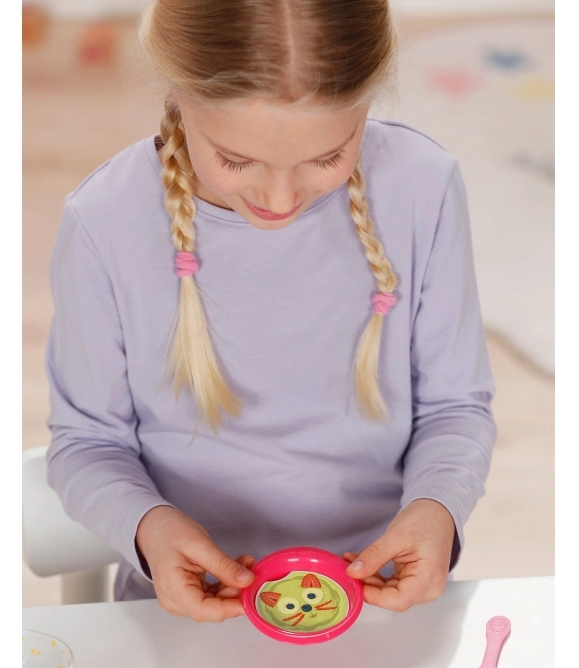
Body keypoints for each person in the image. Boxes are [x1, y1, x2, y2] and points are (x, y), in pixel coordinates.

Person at [45, 0, 496, 621]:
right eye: (236, 160)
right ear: (177, 93)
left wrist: (438, 507)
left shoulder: (424, 186)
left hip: (385, 603)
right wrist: (148, 526)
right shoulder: (104, 223)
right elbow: (87, 443)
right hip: (188, 612)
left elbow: (455, 408)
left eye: (326, 157)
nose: (280, 200)